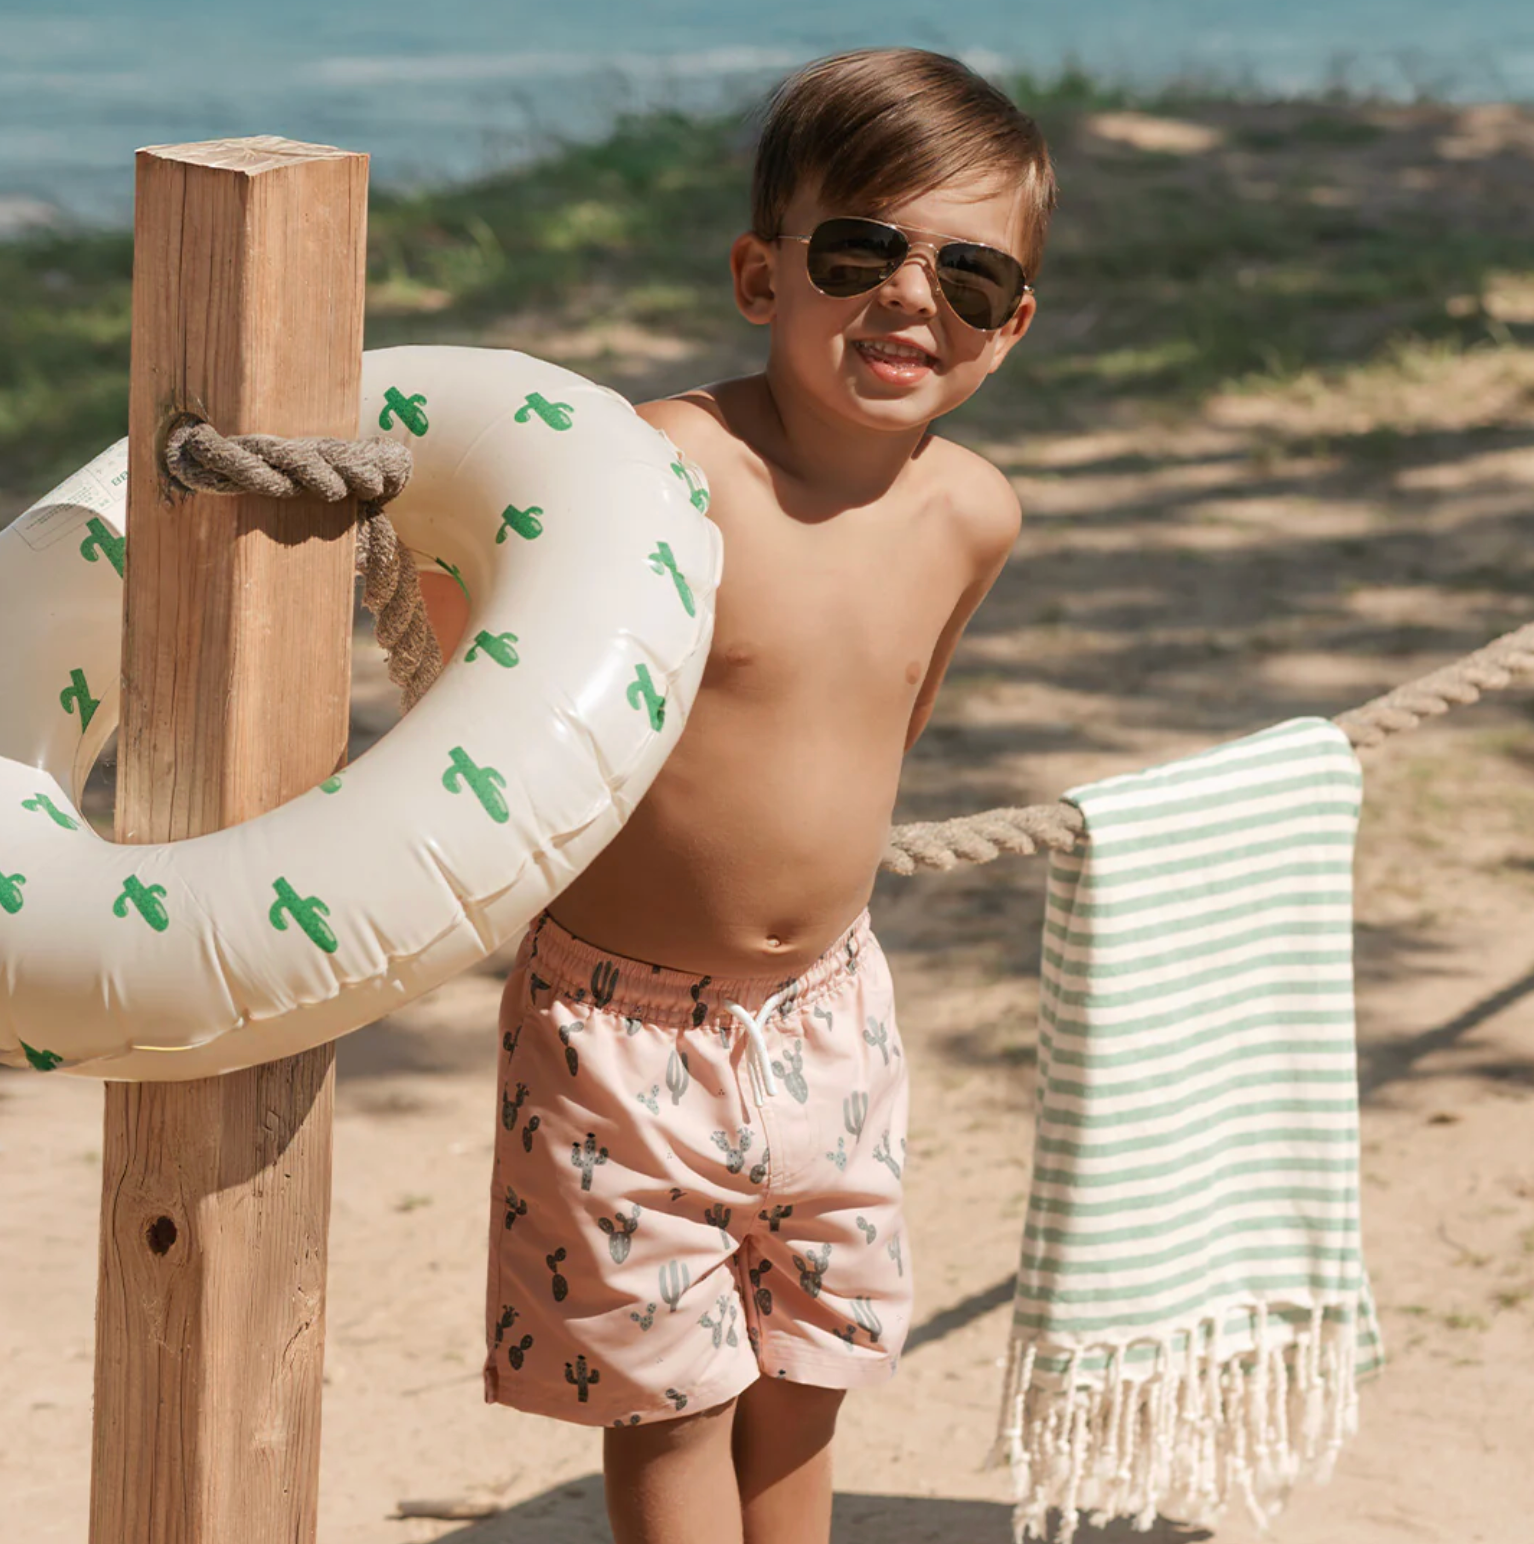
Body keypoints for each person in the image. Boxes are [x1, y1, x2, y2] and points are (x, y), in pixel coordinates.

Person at [419, 45, 1055, 1544]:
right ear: (760, 276)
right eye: (862, 252)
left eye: (968, 278)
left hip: (830, 1016)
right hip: (621, 1037)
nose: (913, 298)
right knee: (668, 1403)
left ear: (1008, 328)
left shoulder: (973, 513)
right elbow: (493, 670)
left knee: (805, 1378)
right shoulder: (664, 471)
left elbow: (890, 722)